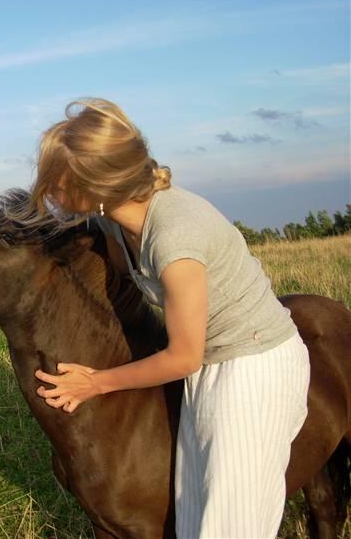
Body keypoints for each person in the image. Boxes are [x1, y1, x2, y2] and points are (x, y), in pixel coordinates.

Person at [16, 98, 311, 538]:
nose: (48, 191)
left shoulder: (176, 239)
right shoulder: (119, 221)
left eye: (55, 182)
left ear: (94, 188)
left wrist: (96, 382)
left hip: (254, 367)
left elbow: (183, 358)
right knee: (193, 517)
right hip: (212, 364)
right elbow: (113, 267)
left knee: (232, 528)